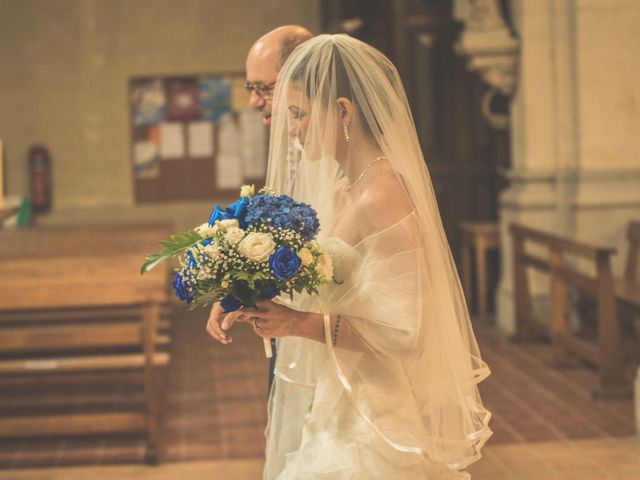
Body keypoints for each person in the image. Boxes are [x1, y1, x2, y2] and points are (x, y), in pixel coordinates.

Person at [207, 34, 492, 479]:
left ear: (342, 111)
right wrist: (242, 292)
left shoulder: (384, 194)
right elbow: (326, 275)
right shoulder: (344, 185)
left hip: (375, 418)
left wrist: (299, 324)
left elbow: (407, 331)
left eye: (299, 114)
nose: (290, 128)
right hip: (339, 397)